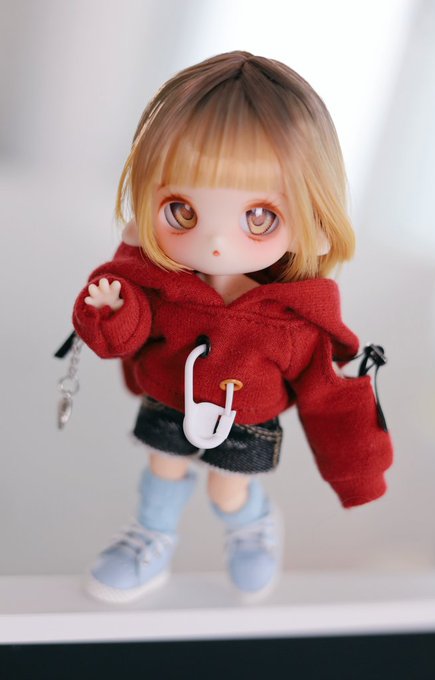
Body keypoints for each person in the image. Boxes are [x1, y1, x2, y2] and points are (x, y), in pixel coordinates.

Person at [72, 51, 393, 603]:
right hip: (169, 399)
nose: (216, 241)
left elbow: (329, 394)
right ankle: (152, 538)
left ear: (310, 220)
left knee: (227, 490)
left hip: (246, 419)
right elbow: (122, 338)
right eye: (182, 211)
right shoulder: (154, 283)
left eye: (259, 217)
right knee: (163, 469)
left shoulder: (294, 319)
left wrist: (357, 471)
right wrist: (110, 312)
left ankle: (253, 524)